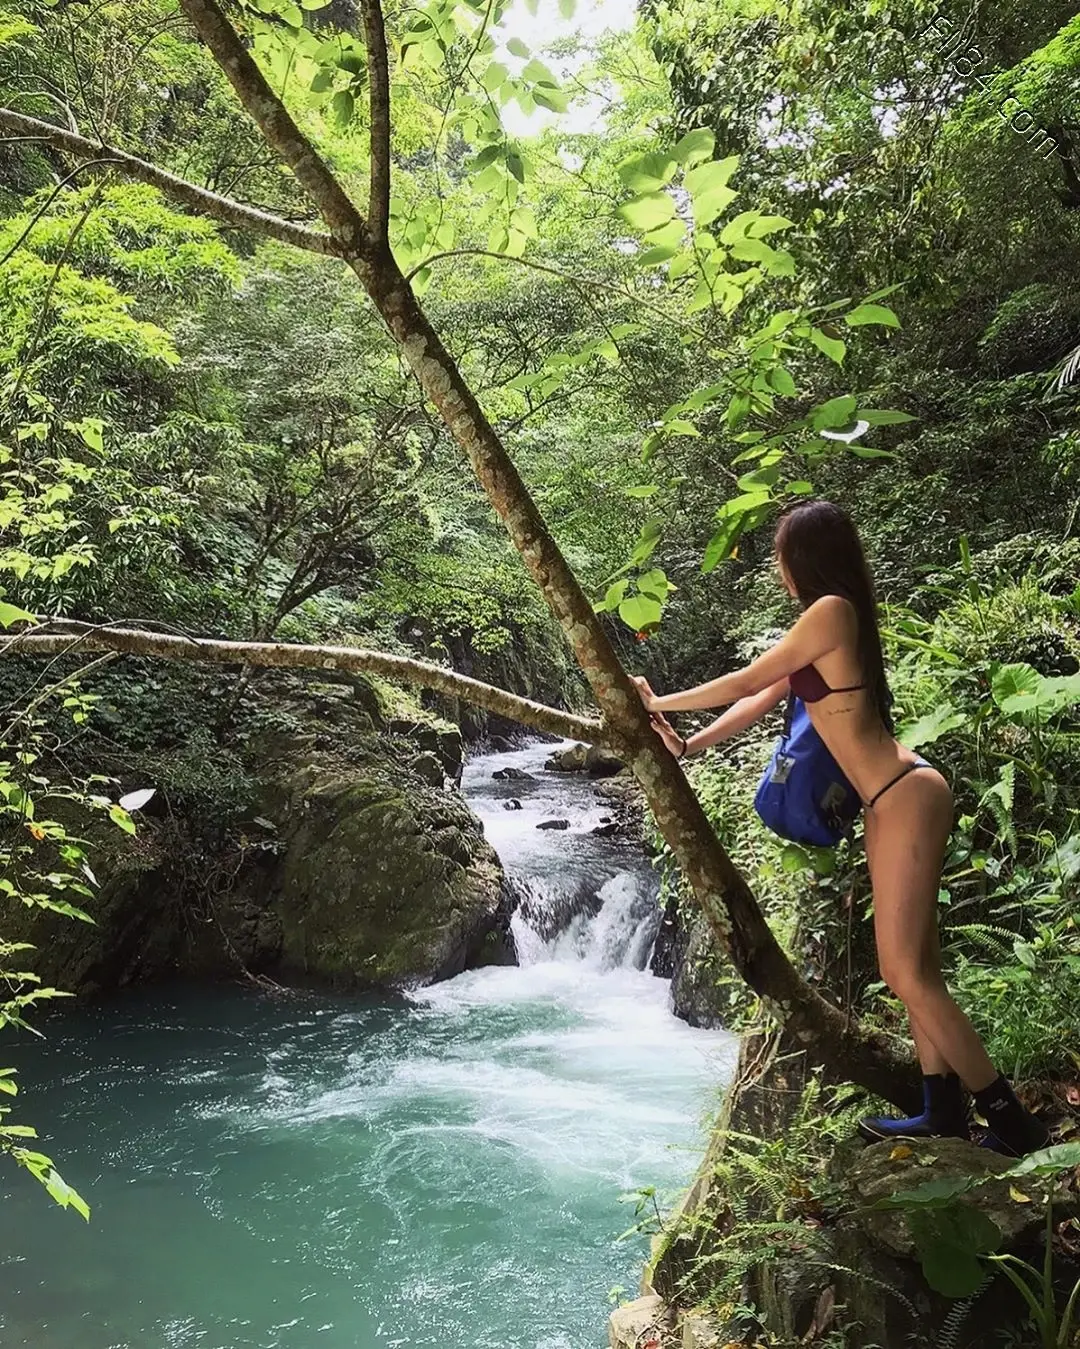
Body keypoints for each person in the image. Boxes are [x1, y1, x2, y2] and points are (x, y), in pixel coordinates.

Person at [632, 499, 1049, 1157]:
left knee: (907, 972)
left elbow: (746, 675)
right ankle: (941, 1108)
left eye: (780, 554)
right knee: (917, 967)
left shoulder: (831, 612)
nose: (776, 567)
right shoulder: (824, 621)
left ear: (804, 558)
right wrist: (687, 746)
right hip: (887, 802)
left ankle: (1014, 1123)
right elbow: (756, 698)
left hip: (905, 794)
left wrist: (656, 701)